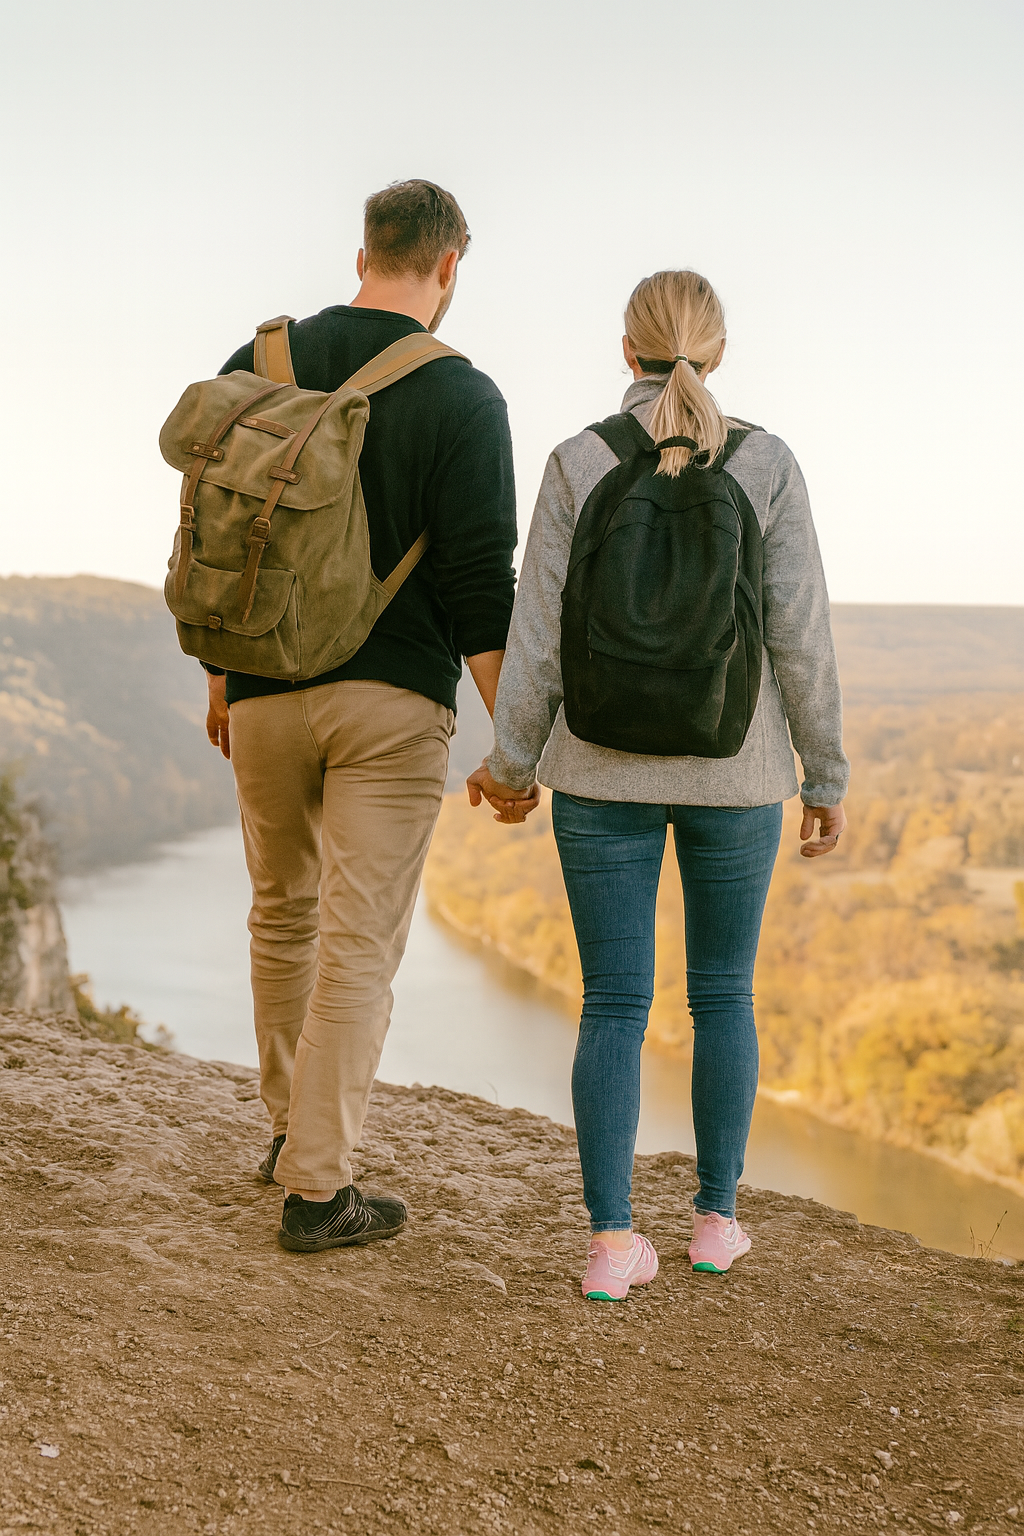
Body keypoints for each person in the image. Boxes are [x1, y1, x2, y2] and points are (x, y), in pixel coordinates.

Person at [468, 269, 848, 1298]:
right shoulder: (764, 462)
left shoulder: (579, 459)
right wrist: (824, 773)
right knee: (723, 995)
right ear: (715, 349)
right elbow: (799, 636)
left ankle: (609, 1244)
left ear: (624, 349)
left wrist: (511, 768)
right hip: (738, 773)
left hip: (598, 770)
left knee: (612, 1004)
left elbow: (535, 636)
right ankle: (716, 1222)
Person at [205, 180, 517, 1253]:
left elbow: (222, 538)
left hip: (258, 693)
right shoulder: (462, 397)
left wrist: (221, 680)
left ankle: (288, 1131)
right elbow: (481, 586)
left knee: (280, 914)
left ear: (360, 254)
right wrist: (511, 742)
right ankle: (317, 1189)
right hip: (388, 702)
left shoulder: (258, 364)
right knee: (357, 944)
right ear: (448, 268)